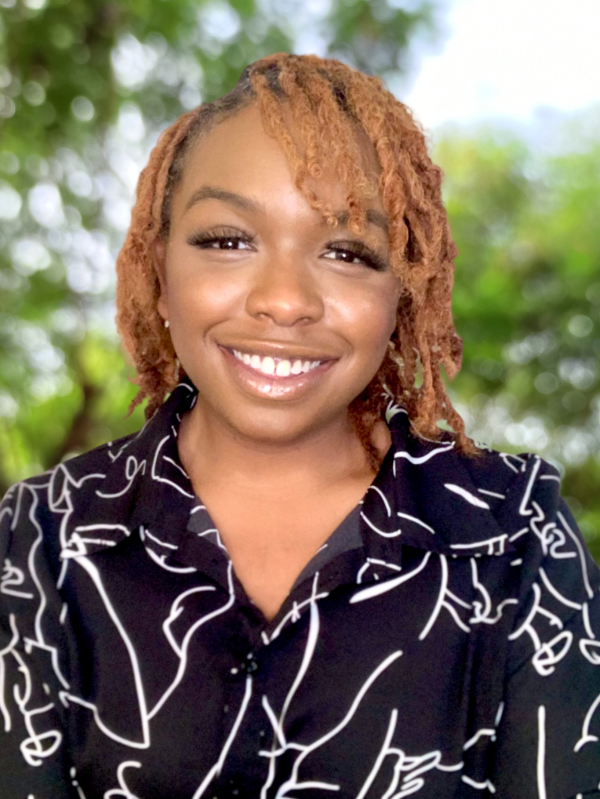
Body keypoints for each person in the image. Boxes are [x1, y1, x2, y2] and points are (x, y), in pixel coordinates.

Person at [0, 52, 598, 799]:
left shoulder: (514, 534)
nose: (285, 301)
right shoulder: (44, 537)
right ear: (159, 276)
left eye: (347, 252)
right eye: (228, 240)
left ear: (402, 294)